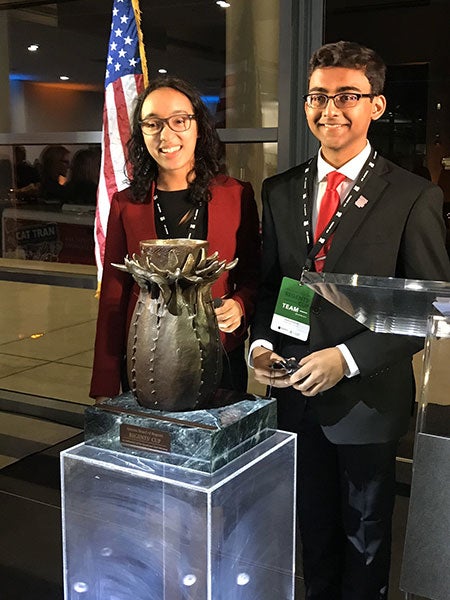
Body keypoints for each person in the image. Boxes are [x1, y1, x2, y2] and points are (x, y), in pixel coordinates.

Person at [250, 41, 450, 600]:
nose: (330, 109)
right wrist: (264, 346)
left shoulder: (413, 197)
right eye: (318, 96)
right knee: (312, 531)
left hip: (368, 400)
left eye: (347, 96)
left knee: (365, 538)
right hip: (295, 392)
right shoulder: (281, 189)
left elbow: (426, 307)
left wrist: (345, 359)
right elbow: (283, 285)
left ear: (376, 107)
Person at [90, 76, 260, 401]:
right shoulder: (126, 205)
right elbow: (114, 295)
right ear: (141, 133)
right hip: (146, 358)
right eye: (153, 124)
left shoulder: (236, 195)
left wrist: (240, 306)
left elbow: (253, 276)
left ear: (199, 126)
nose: (166, 135)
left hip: (219, 356)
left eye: (179, 121)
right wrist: (105, 384)